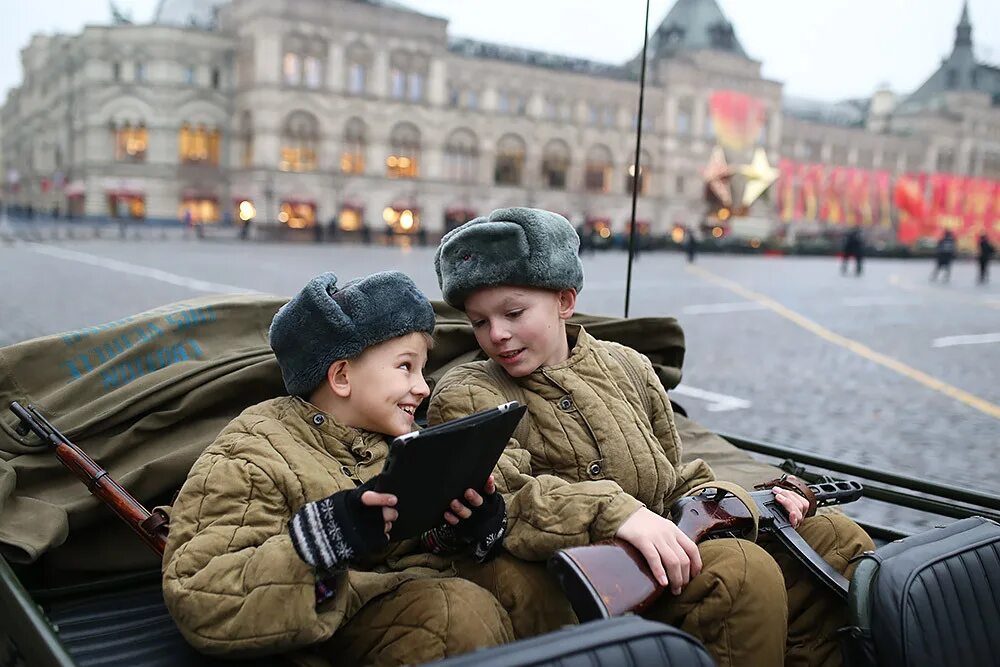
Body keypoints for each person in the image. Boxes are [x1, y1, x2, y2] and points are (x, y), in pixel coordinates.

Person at [428, 208, 875, 667]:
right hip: (568, 582)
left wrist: (750, 500)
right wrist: (618, 515)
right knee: (741, 573)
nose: (497, 334)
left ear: (564, 301)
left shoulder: (629, 367)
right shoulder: (468, 392)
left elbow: (673, 477)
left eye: (514, 313)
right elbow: (506, 495)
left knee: (834, 540)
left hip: (662, 555)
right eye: (479, 322)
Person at [161, 271, 516, 666]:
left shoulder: (394, 441)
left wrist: (460, 528)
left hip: (405, 597)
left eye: (422, 369)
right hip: (324, 624)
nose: (423, 387)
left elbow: (404, 545)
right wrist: (323, 539)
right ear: (342, 376)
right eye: (405, 367)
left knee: (523, 581)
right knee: (457, 614)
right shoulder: (249, 455)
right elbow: (202, 598)